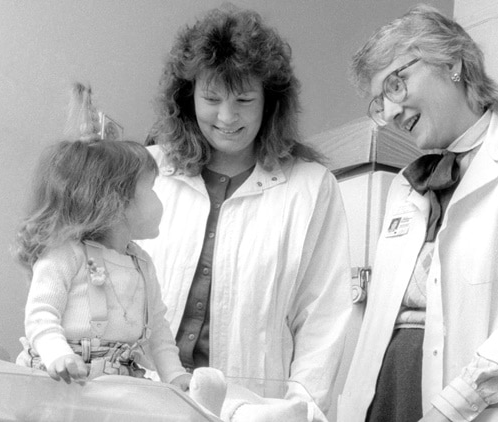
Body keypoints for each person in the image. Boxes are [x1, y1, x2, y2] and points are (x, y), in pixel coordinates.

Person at [338, 5, 498, 422]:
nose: (389, 113)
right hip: (384, 400)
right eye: (380, 101)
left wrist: (453, 407)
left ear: (452, 63)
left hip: (471, 408)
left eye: (396, 85)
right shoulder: (407, 185)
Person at [140, 4, 352, 419]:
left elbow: (323, 320)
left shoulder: (310, 188)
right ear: (187, 98)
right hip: (142, 399)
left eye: (244, 99)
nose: (227, 117)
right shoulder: (147, 172)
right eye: (212, 98)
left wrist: (301, 410)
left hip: (254, 407)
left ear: (270, 102)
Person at [14, 84, 191, 391]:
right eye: (150, 188)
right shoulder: (64, 255)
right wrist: (58, 355)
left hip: (118, 386)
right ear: (115, 203)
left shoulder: (141, 263)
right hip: (61, 386)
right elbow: (41, 315)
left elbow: (159, 331)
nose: (159, 199)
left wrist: (175, 376)